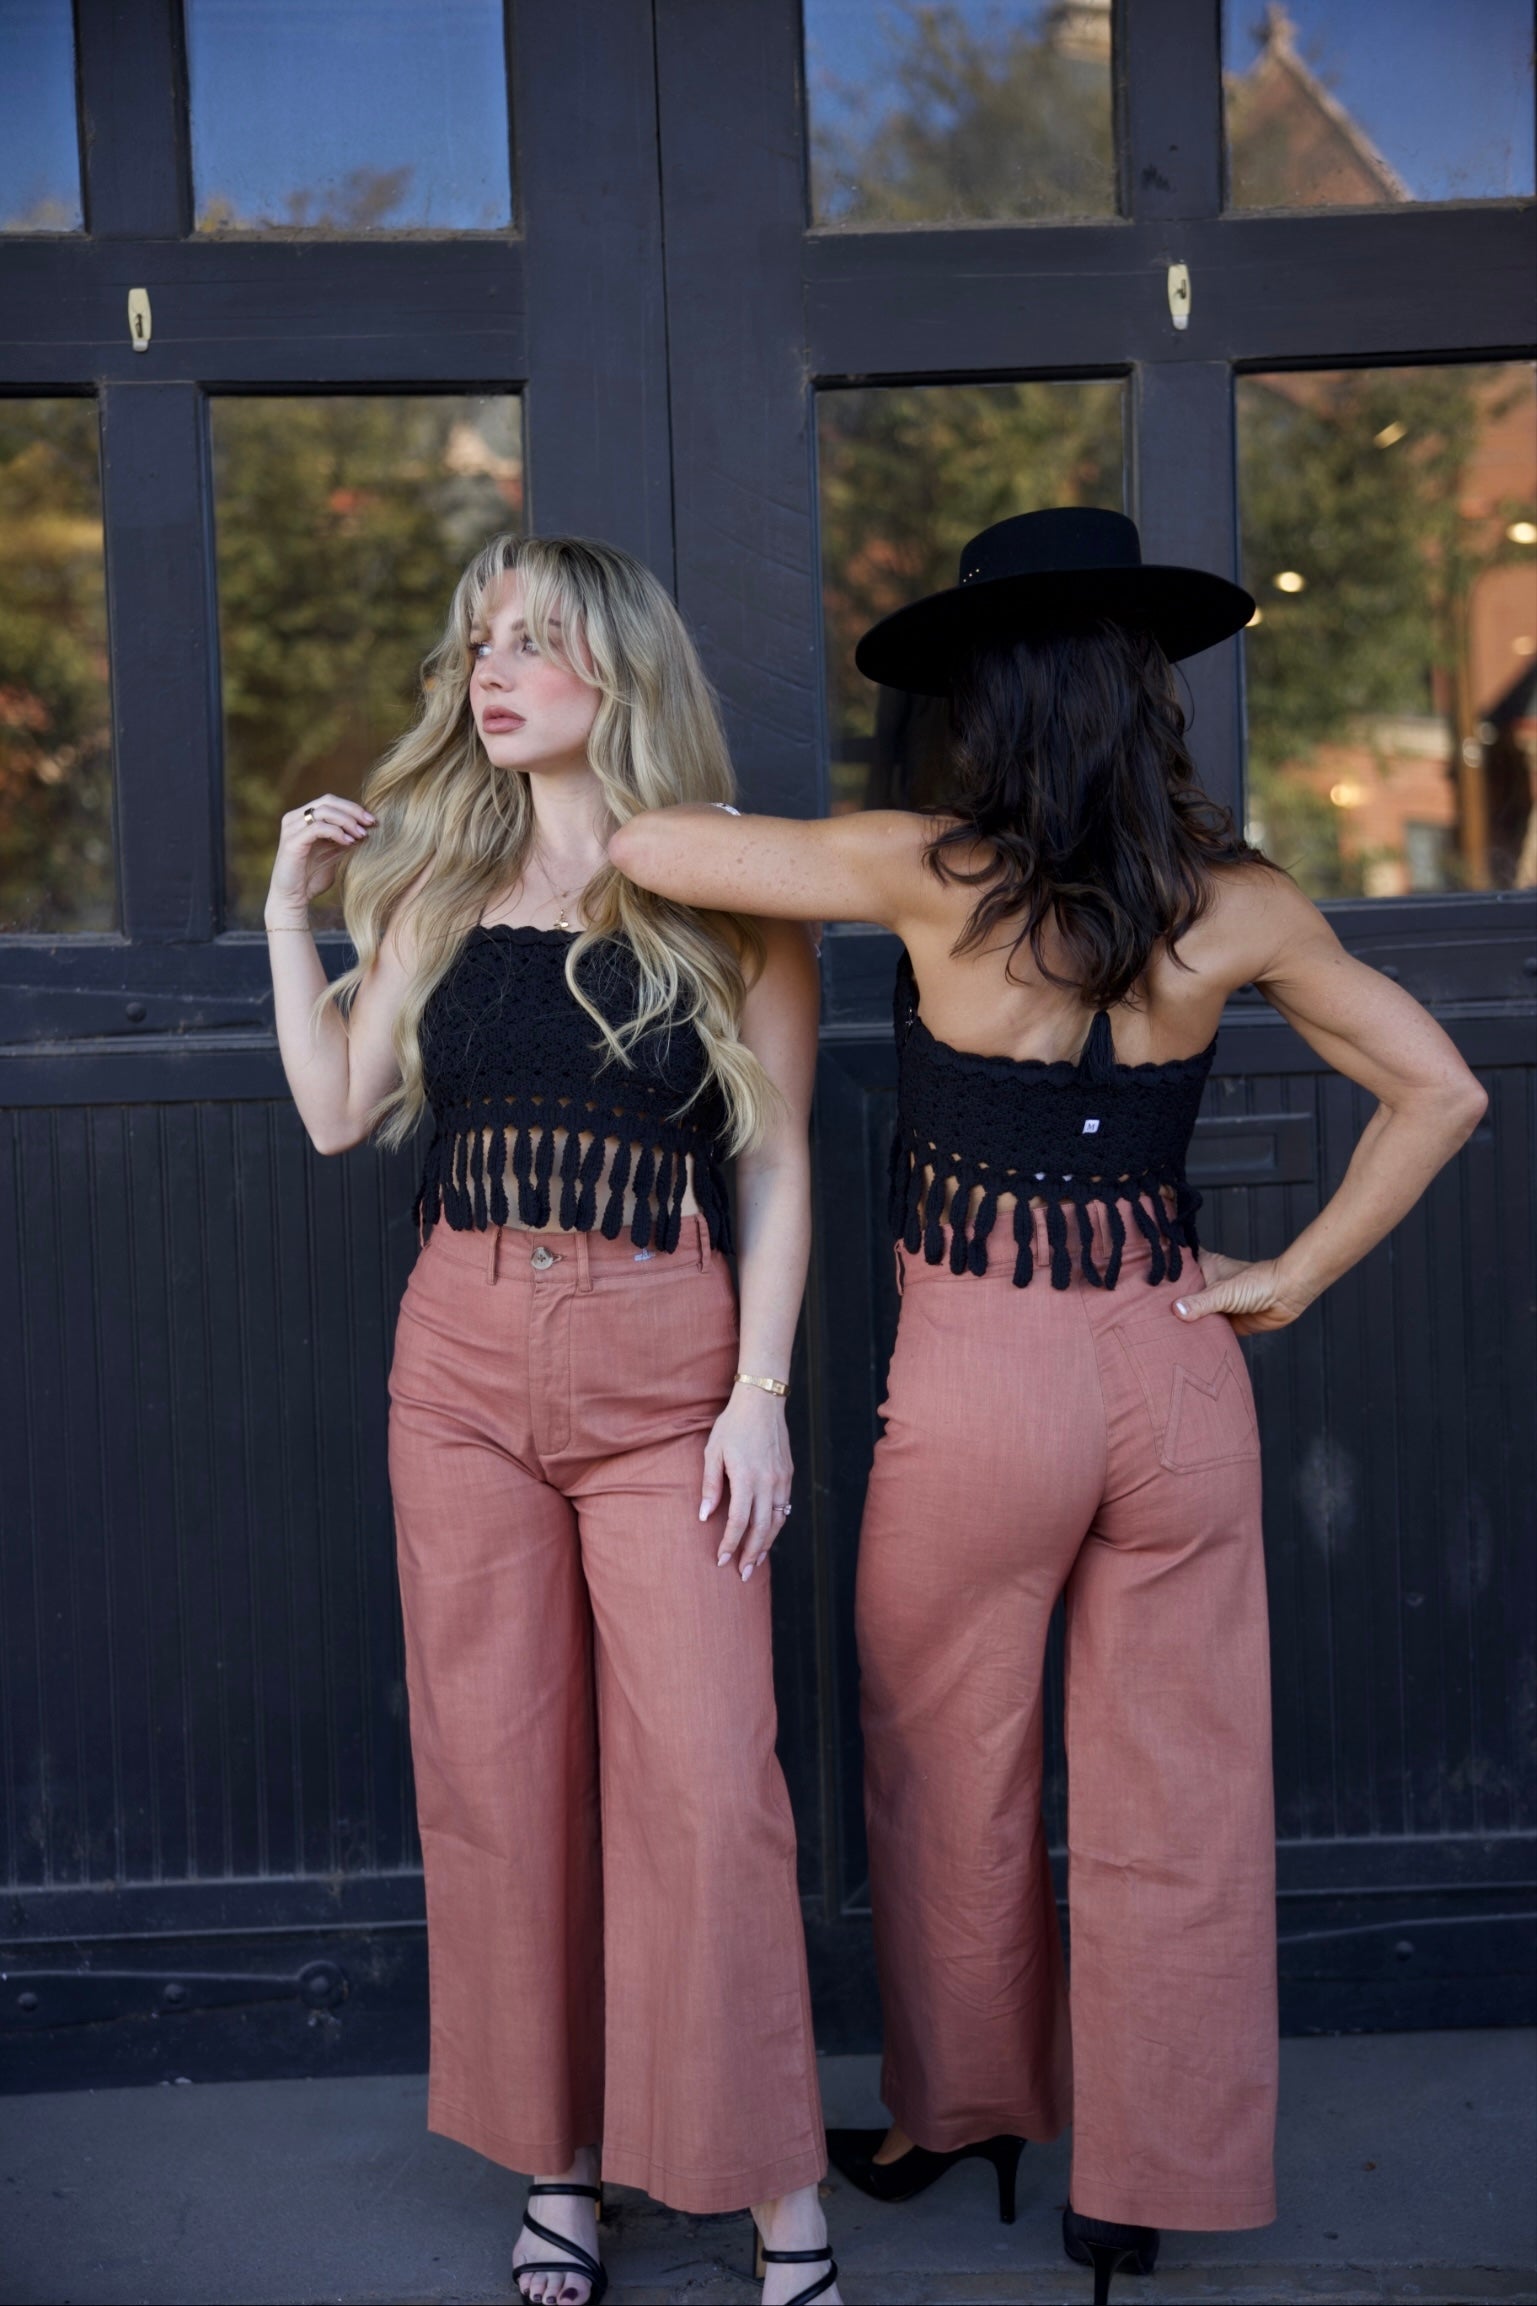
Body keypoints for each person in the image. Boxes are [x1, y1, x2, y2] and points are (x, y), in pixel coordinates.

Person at [608, 508, 1488, 2303]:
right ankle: (1139, 2179)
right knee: (1181, 1787)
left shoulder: (930, 870)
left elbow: (651, 841)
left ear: (991, 708)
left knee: (949, 1760)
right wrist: (1289, 1274)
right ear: (1145, 699)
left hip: (981, 1377)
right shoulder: (1238, 901)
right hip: (1173, 1365)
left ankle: (963, 2110)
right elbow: (1442, 1090)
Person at [264, 534, 839, 2306]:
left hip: (666, 1355)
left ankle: (773, 2182)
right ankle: (559, 2170)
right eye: (478, 644)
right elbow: (333, 1116)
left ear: (620, 673)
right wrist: (291, 913)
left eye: (534, 643)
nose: (491, 670)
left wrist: (759, 1397)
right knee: (499, 1781)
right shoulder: (438, 878)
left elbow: (782, 1161)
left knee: (705, 1783)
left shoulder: (722, 888)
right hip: (456, 1352)